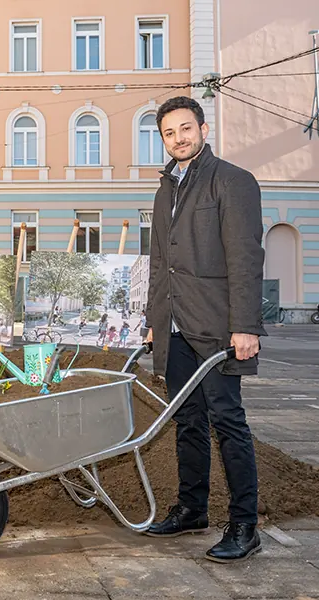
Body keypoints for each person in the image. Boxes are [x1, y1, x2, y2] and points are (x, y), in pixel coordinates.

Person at [143, 97, 265, 563]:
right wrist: (155, 322)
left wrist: (245, 326)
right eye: (169, 133)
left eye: (186, 129)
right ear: (162, 139)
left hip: (217, 327)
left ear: (203, 129)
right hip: (174, 327)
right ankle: (192, 509)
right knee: (187, 421)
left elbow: (245, 259)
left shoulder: (231, 181)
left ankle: (244, 526)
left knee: (228, 422)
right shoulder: (165, 189)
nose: (179, 138)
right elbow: (160, 262)